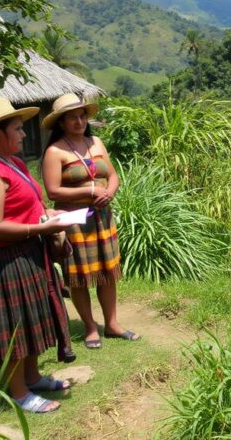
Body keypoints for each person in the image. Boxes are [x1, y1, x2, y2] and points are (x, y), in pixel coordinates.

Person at [0, 97, 77, 414]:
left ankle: (33, 376)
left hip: (25, 253)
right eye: (18, 128)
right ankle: (20, 392)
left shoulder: (11, 162)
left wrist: (46, 214)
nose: (24, 135)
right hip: (2, 262)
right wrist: (40, 230)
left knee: (32, 319)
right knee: (14, 328)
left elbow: (26, 205)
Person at [42, 93, 138, 349]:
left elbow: (113, 175)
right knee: (79, 277)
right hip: (74, 220)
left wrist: (109, 192)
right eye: (72, 117)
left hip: (102, 217)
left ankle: (113, 324)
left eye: (82, 115)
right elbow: (53, 191)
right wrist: (89, 192)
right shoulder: (55, 151)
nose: (79, 121)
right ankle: (90, 327)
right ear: (61, 123)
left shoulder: (96, 141)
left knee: (108, 273)